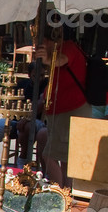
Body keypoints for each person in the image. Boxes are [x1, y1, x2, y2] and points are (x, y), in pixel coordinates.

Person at [34, 26, 91, 186]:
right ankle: (66, 192)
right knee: (66, 159)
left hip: (70, 110)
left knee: (49, 154)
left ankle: (58, 195)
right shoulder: (65, 48)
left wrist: (46, 59)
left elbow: (61, 60)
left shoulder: (68, 47)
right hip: (64, 110)